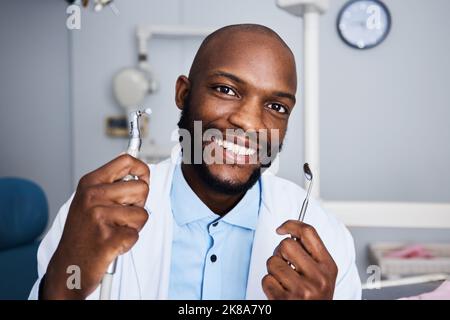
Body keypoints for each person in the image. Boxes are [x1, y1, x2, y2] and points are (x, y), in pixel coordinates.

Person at [29, 24, 361, 300]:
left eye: (276, 107)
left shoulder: (327, 241)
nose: (248, 122)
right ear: (183, 94)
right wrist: (63, 285)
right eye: (225, 89)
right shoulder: (94, 213)